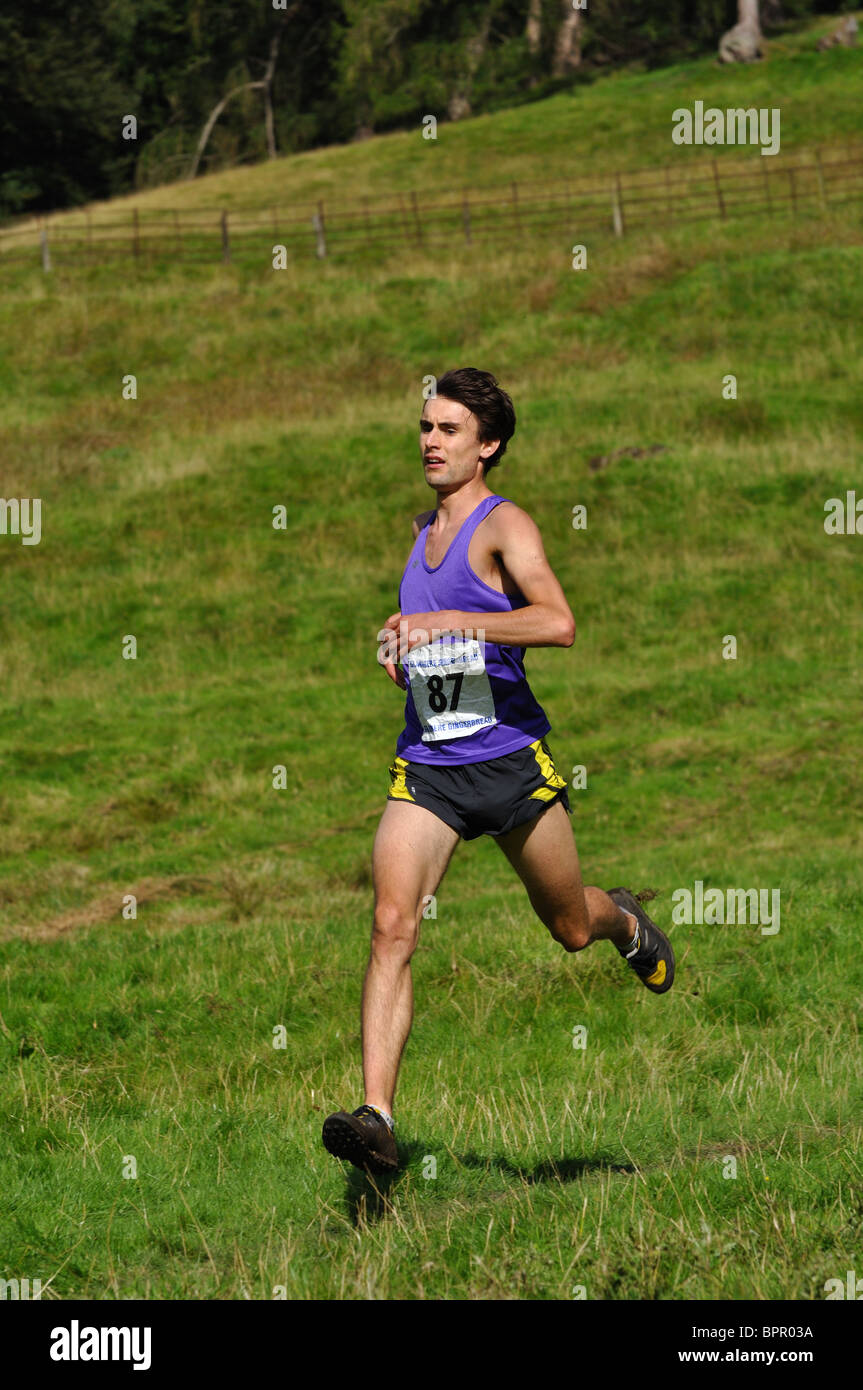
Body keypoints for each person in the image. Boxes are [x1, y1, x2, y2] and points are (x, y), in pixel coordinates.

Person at [322, 368, 674, 1175]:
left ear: (488, 447)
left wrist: (451, 619)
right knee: (390, 924)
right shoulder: (422, 528)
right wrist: (398, 648)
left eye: (448, 430)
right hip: (430, 765)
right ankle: (376, 1119)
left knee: (569, 930)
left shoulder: (503, 525)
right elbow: (425, 634)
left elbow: (558, 622)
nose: (430, 442)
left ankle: (620, 919)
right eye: (424, 427)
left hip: (509, 761)